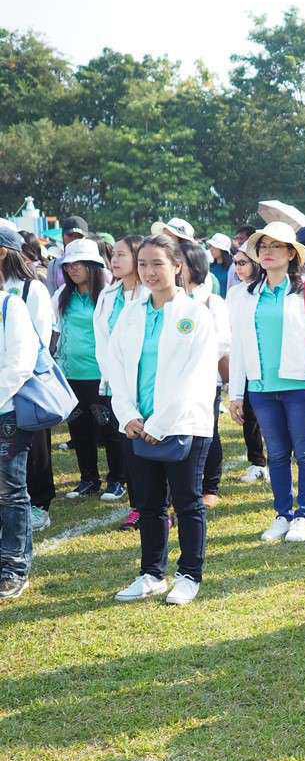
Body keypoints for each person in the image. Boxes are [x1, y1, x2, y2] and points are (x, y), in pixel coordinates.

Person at [109, 234, 218, 605]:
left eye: (158, 263)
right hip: (137, 425)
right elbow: (116, 365)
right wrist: (128, 414)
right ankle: (152, 574)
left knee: (187, 502)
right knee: (149, 504)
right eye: (143, 264)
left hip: (183, 424)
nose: (149, 272)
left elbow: (194, 376)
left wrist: (159, 424)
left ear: (177, 266)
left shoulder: (195, 314)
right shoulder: (132, 313)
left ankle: (189, 575)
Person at [227, 221, 305, 543]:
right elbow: (238, 346)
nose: (267, 252)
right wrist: (236, 393)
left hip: (299, 385)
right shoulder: (243, 294)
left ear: (291, 253)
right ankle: (283, 514)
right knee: (276, 454)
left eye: (275, 246)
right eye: (263, 247)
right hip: (261, 388)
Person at [52, 238, 125, 501]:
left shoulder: (110, 294)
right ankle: (88, 479)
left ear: (93, 265)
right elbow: (55, 330)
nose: (72, 269)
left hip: (102, 375)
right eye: (68, 265)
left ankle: (117, 480)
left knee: (109, 429)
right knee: (79, 429)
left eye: (78, 263)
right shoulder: (62, 294)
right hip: (71, 374)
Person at [0, 223, 55, 531]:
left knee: (36, 449)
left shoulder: (31, 289)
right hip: (6, 386)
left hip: (28, 384)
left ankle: (41, 503)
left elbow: (39, 341)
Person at [94, 235, 147, 530]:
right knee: (129, 448)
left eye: (122, 255)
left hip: (147, 383)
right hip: (118, 386)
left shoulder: (151, 293)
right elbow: (102, 342)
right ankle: (138, 507)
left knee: (155, 445)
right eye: (113, 254)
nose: (114, 260)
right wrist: (111, 379)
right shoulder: (108, 294)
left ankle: (165, 506)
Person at [178, 241, 232, 508]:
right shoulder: (171, 300)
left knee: (208, 431)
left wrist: (192, 361)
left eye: (180, 263)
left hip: (204, 379)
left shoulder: (212, 302)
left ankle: (210, 486)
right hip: (172, 381)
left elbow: (221, 343)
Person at [0, 266, 39, 600]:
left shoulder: (10, 306)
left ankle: (15, 567)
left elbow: (20, 364)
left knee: (11, 492)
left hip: (6, 413)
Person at [227, 246, 269, 483]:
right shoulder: (235, 293)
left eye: (243, 262)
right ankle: (257, 462)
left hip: (266, 362)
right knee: (248, 416)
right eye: (236, 263)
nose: (238, 268)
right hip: (243, 361)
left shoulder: (267, 289)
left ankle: (277, 461)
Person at [46, 215, 89, 292]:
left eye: (79, 236)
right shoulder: (53, 265)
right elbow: (51, 294)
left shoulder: (94, 262)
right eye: (70, 235)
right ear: (63, 236)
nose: (74, 239)